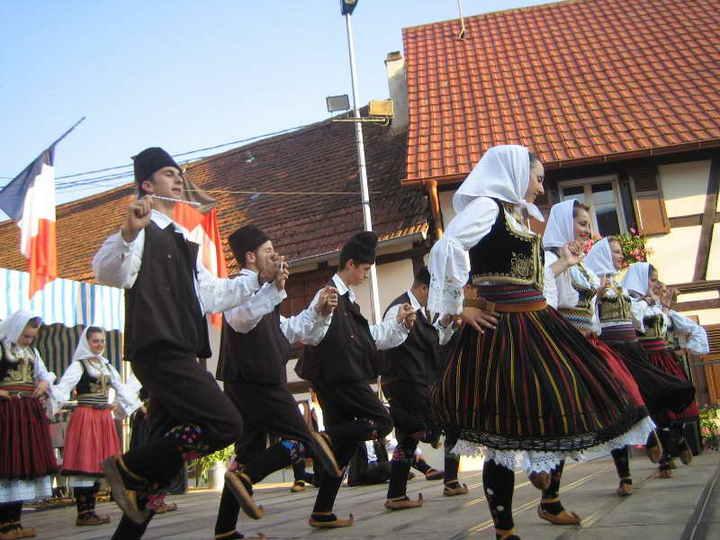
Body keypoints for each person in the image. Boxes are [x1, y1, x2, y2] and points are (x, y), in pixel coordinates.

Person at [429, 145, 652, 540]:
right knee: (498, 428)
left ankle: (548, 495)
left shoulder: (515, 215)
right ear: (516, 175)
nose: (540, 186)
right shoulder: (486, 208)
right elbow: (446, 247)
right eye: (537, 177)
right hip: (504, 329)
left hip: (535, 321)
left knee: (560, 399)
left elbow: (534, 276)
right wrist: (458, 306)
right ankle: (505, 528)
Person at [92, 147, 263, 538]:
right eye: (170, 174)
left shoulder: (182, 238)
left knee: (165, 459)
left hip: (181, 349)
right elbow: (107, 271)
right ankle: (125, 465)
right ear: (147, 184)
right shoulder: (139, 230)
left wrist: (257, 279)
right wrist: (127, 232)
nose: (179, 180)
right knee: (226, 423)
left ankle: (128, 523)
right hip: (159, 350)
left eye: (179, 174)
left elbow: (211, 295)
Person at [212, 224, 342, 540]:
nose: (275, 256)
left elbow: (291, 330)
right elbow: (241, 320)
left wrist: (319, 311)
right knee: (302, 439)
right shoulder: (238, 287)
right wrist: (271, 290)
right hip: (257, 383)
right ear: (250, 257)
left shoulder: (264, 294)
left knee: (247, 452)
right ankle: (247, 479)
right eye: (268, 252)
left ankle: (225, 529)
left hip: (251, 382)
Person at [296, 231, 416, 528]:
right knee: (383, 421)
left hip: (341, 378)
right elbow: (310, 331)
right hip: (339, 380)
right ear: (350, 264)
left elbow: (367, 339)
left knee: (345, 447)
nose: (365, 276)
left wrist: (398, 324)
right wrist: (321, 309)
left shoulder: (349, 300)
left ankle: (322, 511)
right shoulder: (328, 295)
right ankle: (322, 438)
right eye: (364, 270)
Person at [542, 201, 655, 499]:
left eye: (588, 225)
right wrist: (563, 264)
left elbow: (590, 310)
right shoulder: (550, 258)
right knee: (567, 417)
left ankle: (638, 455)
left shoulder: (581, 264)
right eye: (581, 223)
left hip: (588, 343)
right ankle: (549, 492)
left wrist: (594, 329)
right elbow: (544, 299)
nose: (587, 231)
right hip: (564, 345)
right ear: (565, 224)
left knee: (618, 394)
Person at [585, 238, 696, 485]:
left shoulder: (621, 288)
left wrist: (652, 303)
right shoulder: (593, 282)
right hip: (612, 350)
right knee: (619, 408)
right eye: (614, 252)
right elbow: (591, 320)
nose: (619, 256)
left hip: (633, 348)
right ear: (603, 254)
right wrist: (596, 295)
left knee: (656, 393)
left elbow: (636, 322)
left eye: (619, 252)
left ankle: (664, 442)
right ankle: (626, 474)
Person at [380, 266, 456, 510]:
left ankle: (396, 494)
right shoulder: (399, 308)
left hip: (420, 382)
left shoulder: (424, 312)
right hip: (407, 384)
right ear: (423, 287)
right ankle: (449, 476)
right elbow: (386, 340)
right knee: (450, 423)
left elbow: (434, 343)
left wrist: (444, 323)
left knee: (407, 441)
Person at [54, 327, 142, 526]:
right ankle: (83, 513)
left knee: (99, 463)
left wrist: (137, 407)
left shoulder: (106, 366)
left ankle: (90, 511)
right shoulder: (79, 366)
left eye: (102, 341)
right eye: (95, 341)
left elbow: (122, 390)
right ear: (87, 342)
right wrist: (49, 403)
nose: (100, 344)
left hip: (103, 419)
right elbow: (64, 388)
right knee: (84, 463)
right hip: (86, 417)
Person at [623, 263, 703, 477]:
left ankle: (678, 438)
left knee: (677, 400)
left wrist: (664, 305)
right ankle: (665, 458)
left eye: (657, 279)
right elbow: (633, 321)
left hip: (664, 359)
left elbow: (667, 326)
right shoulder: (631, 301)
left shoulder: (654, 304)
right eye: (652, 279)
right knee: (656, 409)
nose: (656, 284)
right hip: (645, 361)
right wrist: (649, 301)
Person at [0, 311, 58, 540]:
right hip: (6, 411)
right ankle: (3, 525)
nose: (29, 340)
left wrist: (44, 383)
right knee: (7, 463)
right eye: (25, 336)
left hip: (26, 412)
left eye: (32, 336)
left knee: (24, 463)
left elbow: (43, 374)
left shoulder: (32, 351)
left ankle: (15, 522)